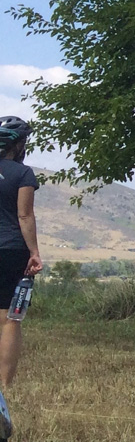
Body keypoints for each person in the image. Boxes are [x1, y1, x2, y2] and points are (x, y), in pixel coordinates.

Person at [0, 117, 42, 390]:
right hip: (11, 249)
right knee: (9, 318)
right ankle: (3, 386)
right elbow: (24, 215)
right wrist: (34, 252)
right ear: (18, 145)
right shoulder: (23, 174)